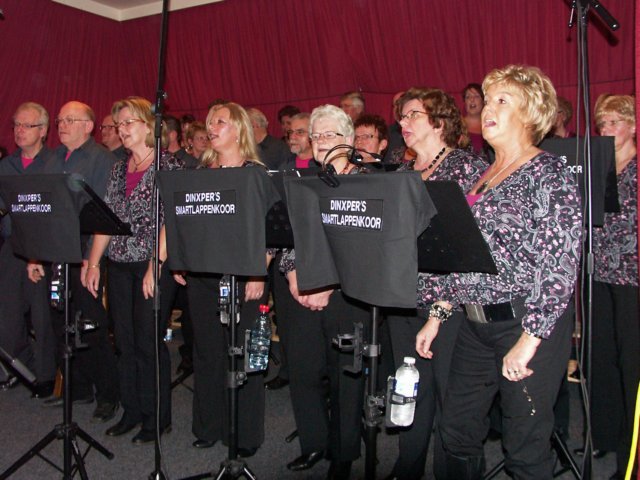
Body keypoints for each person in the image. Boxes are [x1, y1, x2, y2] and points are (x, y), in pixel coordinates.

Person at [416, 65, 582, 479]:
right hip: (475, 324)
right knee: (456, 430)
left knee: (524, 449)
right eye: (488, 100)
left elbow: (559, 265)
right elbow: (463, 253)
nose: (488, 108)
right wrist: (438, 314)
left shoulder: (549, 172)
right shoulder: (481, 173)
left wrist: (530, 340)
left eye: (502, 101)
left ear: (530, 112)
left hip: (526, 323)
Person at [383, 88, 487, 480]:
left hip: (449, 303)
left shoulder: (466, 168)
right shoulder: (402, 172)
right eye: (402, 116)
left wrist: (439, 311)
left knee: (450, 397)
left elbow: (469, 249)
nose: (403, 123)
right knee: (409, 389)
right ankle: (407, 466)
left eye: (412, 114)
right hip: (403, 298)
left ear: (439, 121)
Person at [172, 102, 270, 455]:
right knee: (207, 352)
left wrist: (258, 272)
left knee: (244, 354)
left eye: (220, 122)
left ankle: (244, 434)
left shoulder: (255, 174)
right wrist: (181, 259)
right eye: (210, 121)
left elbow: (270, 229)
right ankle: (208, 425)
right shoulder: (200, 173)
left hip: (245, 275)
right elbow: (186, 221)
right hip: (203, 276)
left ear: (239, 129)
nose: (211, 127)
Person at [280, 104, 370, 479]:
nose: (320, 141)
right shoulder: (304, 181)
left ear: (348, 140)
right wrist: (293, 274)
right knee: (302, 370)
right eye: (315, 135)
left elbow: (366, 248)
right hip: (303, 290)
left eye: (329, 134)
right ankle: (313, 443)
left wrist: (327, 283)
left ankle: (342, 453)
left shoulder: (367, 182)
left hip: (348, 295)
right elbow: (287, 235)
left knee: (344, 376)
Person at [84, 96, 181, 443]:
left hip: (154, 262)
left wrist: (155, 264)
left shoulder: (169, 167)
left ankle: (156, 418)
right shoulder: (118, 169)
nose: (121, 130)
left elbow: (172, 221)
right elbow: (107, 219)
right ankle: (132, 411)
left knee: (147, 342)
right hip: (120, 263)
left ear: (149, 125)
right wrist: (94, 262)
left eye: (128, 123)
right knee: (124, 342)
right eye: (118, 124)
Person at [28, 101, 119, 423]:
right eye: (60, 120)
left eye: (70, 120)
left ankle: (107, 393)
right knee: (60, 320)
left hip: (85, 252)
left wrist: (90, 261)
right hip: (56, 251)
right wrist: (35, 254)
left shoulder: (102, 160)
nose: (62, 125)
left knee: (91, 324)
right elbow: (40, 207)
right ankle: (77, 387)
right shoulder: (52, 158)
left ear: (88, 126)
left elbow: (104, 213)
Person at [589, 94, 637, 480]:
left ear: (632, 126)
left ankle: (629, 447)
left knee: (630, 360)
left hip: (632, 277)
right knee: (602, 357)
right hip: (600, 273)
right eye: (602, 123)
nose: (606, 129)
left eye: (614, 122)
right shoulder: (600, 166)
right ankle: (604, 434)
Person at [0, 102, 56, 398]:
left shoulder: (53, 163)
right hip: (12, 246)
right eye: (17, 125)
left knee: (42, 316)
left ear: (43, 130)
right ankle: (24, 368)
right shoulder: (5, 166)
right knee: (7, 316)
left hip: (43, 246)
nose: (20, 131)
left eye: (27, 125)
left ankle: (46, 377)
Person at [461, 83, 486, 157]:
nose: (472, 100)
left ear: (483, 101)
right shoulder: (457, 125)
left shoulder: (491, 125)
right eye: (468, 97)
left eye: (476, 96)